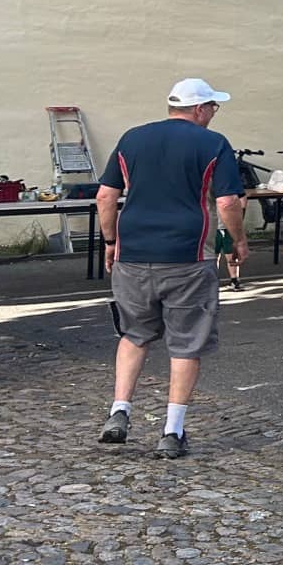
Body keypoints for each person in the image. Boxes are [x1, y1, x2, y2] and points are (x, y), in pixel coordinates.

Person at [94, 77, 247, 459]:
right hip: (186, 257)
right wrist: (239, 241)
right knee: (186, 344)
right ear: (198, 109)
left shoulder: (132, 138)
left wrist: (111, 242)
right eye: (212, 106)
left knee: (134, 334)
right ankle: (172, 432)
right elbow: (228, 202)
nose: (214, 113)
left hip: (132, 256)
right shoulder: (213, 143)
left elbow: (105, 196)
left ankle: (119, 411)